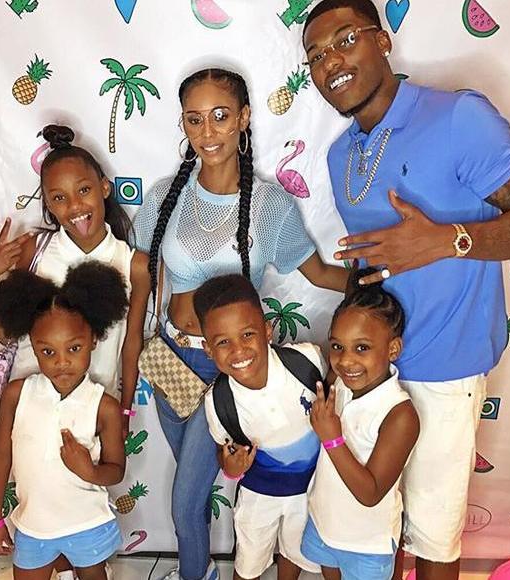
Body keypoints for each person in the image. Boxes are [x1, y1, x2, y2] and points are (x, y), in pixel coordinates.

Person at [302, 1, 510, 578]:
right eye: (316, 56)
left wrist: (446, 241)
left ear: (382, 41)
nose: (331, 62)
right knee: (365, 526)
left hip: (444, 370)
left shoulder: (458, 118)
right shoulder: (340, 155)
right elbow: (374, 267)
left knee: (431, 538)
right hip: (368, 371)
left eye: (345, 40)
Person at [132, 68, 349, 580]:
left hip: (227, 370)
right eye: (194, 120)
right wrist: (128, 365)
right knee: (190, 490)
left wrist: (382, 280)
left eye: (220, 116)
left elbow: (319, 274)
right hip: (168, 360)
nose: (207, 132)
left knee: (186, 500)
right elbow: (141, 283)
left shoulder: (270, 206)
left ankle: (197, 574)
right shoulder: (165, 196)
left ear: (244, 119)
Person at [0, 125, 149, 437]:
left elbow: (131, 343)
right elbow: (8, 335)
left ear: (104, 188)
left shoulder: (134, 265)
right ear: (48, 204)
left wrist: (124, 410)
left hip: (93, 412)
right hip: (30, 405)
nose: (74, 206)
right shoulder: (35, 250)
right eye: (59, 198)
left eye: (83, 190)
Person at [0, 262, 128, 580]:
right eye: (48, 351)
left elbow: (116, 470)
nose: (62, 362)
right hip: (32, 526)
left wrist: (89, 471)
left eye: (73, 348)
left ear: (94, 339)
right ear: (33, 345)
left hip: (87, 523)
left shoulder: (103, 406)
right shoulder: (17, 394)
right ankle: (64, 572)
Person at [194, 274, 327, 580]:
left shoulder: (307, 361)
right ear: (208, 349)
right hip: (258, 497)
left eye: (247, 334)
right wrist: (231, 467)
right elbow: (225, 451)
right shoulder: (219, 402)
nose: (238, 350)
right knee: (248, 563)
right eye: (223, 342)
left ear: (267, 330)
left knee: (295, 552)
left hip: (310, 491)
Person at [302, 269, 419, 580]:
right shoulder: (340, 383)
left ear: (393, 349)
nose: (345, 360)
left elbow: (371, 493)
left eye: (362, 348)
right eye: (337, 346)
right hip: (324, 522)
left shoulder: (399, 414)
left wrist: (332, 439)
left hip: (367, 544)